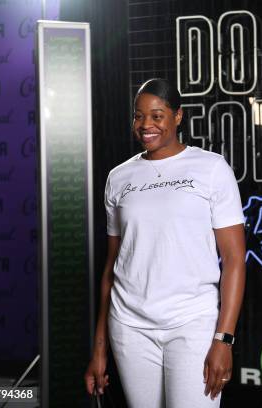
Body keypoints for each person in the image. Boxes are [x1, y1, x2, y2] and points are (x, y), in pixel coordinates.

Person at [84, 78, 246, 408]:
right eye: (138, 116)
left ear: (177, 116)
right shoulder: (119, 177)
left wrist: (224, 339)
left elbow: (234, 260)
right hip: (129, 326)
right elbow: (112, 267)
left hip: (192, 323)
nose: (146, 125)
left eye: (157, 115)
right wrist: (99, 349)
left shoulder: (211, 169)